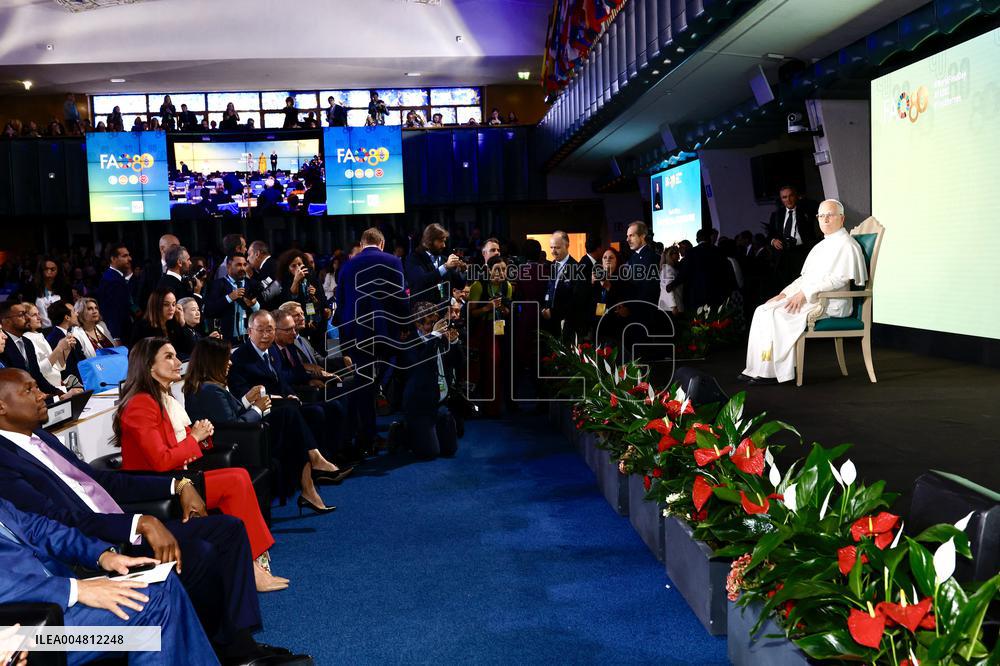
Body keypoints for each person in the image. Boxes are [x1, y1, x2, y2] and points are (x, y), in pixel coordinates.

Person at [0, 368, 296, 662]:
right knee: (175, 580)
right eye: (29, 390)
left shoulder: (40, 437)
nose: (43, 395)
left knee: (226, 530)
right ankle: (231, 649)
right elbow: (58, 522)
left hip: (89, 561)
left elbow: (48, 520)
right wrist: (77, 587)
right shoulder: (4, 462)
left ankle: (239, 646)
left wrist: (179, 483)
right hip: (40, 628)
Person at [114, 338, 287, 590]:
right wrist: (194, 438)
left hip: (177, 477)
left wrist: (200, 438)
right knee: (236, 480)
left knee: (237, 476)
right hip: (157, 485)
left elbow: (176, 447)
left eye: (176, 355)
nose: (177, 362)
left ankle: (253, 563)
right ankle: (252, 566)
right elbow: (161, 461)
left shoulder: (161, 399)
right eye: (169, 357)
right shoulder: (141, 403)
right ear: (149, 366)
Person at [0, 496, 219, 665]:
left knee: (164, 579)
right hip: (37, 636)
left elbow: (39, 529)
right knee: (150, 604)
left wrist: (103, 555)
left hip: (60, 602)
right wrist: (77, 590)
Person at [184, 337, 343, 511]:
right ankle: (312, 472)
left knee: (290, 415)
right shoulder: (210, 390)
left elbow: (226, 415)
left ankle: (309, 484)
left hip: (244, 437)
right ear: (212, 361)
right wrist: (257, 410)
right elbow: (234, 426)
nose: (230, 362)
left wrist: (246, 401)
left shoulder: (208, 387)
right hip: (241, 444)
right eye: (225, 358)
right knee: (289, 416)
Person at [740, 199, 867, 385]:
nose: (825, 220)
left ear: (842, 218)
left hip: (832, 301)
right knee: (763, 310)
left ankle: (777, 372)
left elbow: (839, 279)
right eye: (821, 216)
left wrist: (803, 294)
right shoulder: (821, 246)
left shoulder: (847, 245)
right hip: (813, 296)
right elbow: (805, 278)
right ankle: (757, 368)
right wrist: (784, 294)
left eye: (830, 215)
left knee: (779, 314)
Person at [335, 228, 409, 455]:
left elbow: (341, 301)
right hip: (386, 332)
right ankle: (401, 427)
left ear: (362, 242)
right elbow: (400, 297)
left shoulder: (347, 265)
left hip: (357, 334)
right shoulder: (393, 261)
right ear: (382, 243)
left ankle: (367, 438)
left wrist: (343, 335)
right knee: (394, 373)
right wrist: (406, 324)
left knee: (363, 384)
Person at [393, 301, 459, 459]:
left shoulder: (440, 338)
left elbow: (458, 363)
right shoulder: (408, 343)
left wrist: (454, 343)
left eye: (435, 322)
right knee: (430, 453)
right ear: (418, 323)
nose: (434, 327)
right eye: (430, 323)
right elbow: (421, 367)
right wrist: (434, 337)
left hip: (439, 403)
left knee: (450, 450)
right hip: (418, 406)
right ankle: (401, 431)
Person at [466, 255, 513, 416]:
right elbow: (470, 313)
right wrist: (487, 308)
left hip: (499, 331)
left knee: (496, 368)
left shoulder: (507, 287)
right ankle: (476, 408)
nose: (500, 273)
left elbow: (508, 310)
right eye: (497, 269)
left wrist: (505, 310)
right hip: (480, 331)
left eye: (504, 269)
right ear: (488, 270)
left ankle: (494, 408)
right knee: (478, 371)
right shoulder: (478, 286)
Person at [0, 302, 72, 399]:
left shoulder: (27, 342)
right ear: (6, 321)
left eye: (27, 314)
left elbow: (37, 376)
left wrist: (59, 393)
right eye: (21, 315)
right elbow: (12, 385)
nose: (27, 318)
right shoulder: (2, 346)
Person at [765, 184, 821, 288]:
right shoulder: (777, 215)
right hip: (783, 254)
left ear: (796, 196)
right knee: (787, 285)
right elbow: (770, 234)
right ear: (781, 199)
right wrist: (773, 241)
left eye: (791, 196)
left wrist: (801, 199)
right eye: (784, 197)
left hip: (802, 252)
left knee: (804, 283)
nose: (788, 200)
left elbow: (817, 205)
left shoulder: (804, 210)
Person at [668, 227, 735, 312]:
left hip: (697, 294)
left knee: (698, 322)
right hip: (717, 293)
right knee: (715, 320)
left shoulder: (691, 252)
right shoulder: (719, 251)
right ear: (709, 238)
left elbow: (684, 273)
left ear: (697, 239)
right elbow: (726, 272)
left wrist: (672, 285)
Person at [204, 254, 261, 344]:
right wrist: (229, 298)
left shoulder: (253, 284)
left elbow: (262, 313)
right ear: (228, 266)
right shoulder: (216, 285)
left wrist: (254, 305)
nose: (242, 268)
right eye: (238, 265)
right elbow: (208, 310)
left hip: (250, 338)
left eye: (244, 265)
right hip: (226, 339)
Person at [541, 231, 586, 341]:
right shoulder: (550, 266)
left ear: (567, 246)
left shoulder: (577, 268)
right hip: (549, 323)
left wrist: (554, 312)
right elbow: (547, 289)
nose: (553, 251)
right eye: (551, 247)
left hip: (568, 324)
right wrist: (544, 308)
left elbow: (576, 298)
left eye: (557, 248)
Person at [21, 302, 76, 391]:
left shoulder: (39, 335)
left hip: (57, 386)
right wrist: (59, 348)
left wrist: (66, 349)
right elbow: (39, 371)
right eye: (34, 315)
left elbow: (58, 366)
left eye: (38, 314)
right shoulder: (27, 339)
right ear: (24, 318)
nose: (39, 318)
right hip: (47, 390)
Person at [405, 223, 464, 303]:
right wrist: (445, 267)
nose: (444, 245)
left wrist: (462, 270)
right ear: (430, 241)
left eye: (444, 241)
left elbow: (460, 285)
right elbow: (421, 282)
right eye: (441, 241)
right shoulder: (414, 259)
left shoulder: (444, 260)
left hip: (444, 311)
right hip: (423, 311)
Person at [97, 242, 135, 341]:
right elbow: (113, 311)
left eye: (129, 255)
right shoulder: (112, 280)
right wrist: (116, 337)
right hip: (120, 335)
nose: (129, 258)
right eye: (125, 256)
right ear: (113, 259)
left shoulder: (114, 277)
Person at [592, 247, 623, 343]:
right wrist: (591, 283)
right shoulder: (596, 279)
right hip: (597, 328)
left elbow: (621, 304)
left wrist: (609, 287)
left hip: (615, 329)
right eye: (604, 257)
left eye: (611, 257)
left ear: (617, 261)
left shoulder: (623, 280)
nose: (607, 260)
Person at [657, 245, 683, 315]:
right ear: (670, 255)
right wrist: (673, 306)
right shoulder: (668, 269)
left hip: (669, 306)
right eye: (676, 253)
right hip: (670, 307)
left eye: (678, 253)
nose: (679, 255)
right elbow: (668, 288)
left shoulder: (670, 268)